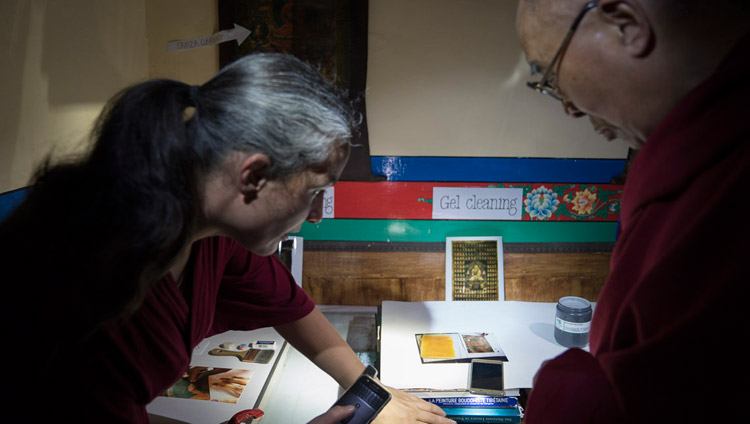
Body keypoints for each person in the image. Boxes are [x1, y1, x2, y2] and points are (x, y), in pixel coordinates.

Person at [0, 53, 452, 424]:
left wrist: (371, 394)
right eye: (316, 192)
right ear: (253, 175)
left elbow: (288, 305)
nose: (316, 217)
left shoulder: (207, 233)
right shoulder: (95, 282)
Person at [515, 0, 749, 422]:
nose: (567, 106)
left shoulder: (727, 181)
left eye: (548, 75)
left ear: (625, 23)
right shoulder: (686, 150)